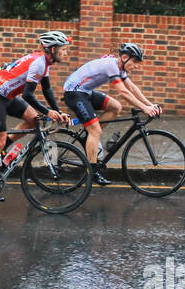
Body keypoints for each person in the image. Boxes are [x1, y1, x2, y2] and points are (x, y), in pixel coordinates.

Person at [0, 31, 70, 202]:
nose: (66, 53)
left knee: (33, 120)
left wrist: (57, 110)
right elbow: (28, 95)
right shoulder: (38, 63)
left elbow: (47, 89)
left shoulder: (45, 63)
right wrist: (48, 112)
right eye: (64, 49)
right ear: (52, 49)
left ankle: (3, 148)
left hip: (8, 97)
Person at [62, 43, 162, 185]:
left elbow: (132, 88)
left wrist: (149, 104)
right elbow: (123, 92)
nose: (136, 66)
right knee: (95, 130)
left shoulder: (120, 68)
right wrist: (144, 108)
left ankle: (90, 137)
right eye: (134, 62)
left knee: (115, 107)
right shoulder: (111, 66)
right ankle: (93, 171)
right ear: (125, 57)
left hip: (85, 92)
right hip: (74, 93)